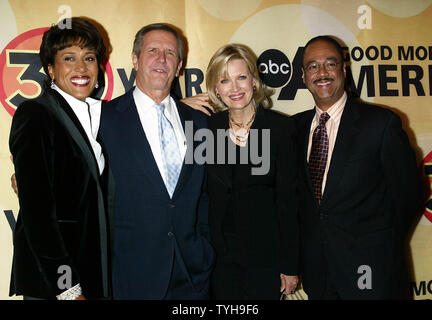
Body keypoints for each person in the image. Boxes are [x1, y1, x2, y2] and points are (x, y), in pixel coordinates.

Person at [293, 35, 423, 299]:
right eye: (313, 66)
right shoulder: (293, 129)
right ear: (304, 76)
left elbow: (410, 195)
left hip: (373, 272)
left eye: (330, 63)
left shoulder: (381, 124)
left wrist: (378, 244)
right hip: (319, 274)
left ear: (343, 69)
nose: (322, 72)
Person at [98, 23, 215, 300]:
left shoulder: (201, 124)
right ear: (135, 59)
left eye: (169, 53)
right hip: (131, 277)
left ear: (179, 66)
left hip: (193, 276)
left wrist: (205, 250)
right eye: (152, 51)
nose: (161, 59)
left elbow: (209, 194)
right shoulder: (103, 119)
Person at [9, 17, 114, 300]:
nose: (81, 68)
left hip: (94, 275)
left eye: (89, 58)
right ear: (51, 69)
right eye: (69, 58)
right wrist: (66, 289)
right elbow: (38, 216)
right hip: (56, 284)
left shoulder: (98, 119)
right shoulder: (36, 115)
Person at [184, 43, 299, 299]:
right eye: (225, 80)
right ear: (215, 88)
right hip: (218, 258)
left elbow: (289, 202)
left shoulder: (280, 128)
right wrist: (180, 105)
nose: (234, 88)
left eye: (241, 77)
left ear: (255, 82)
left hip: (266, 257)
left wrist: (290, 264)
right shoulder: (205, 129)